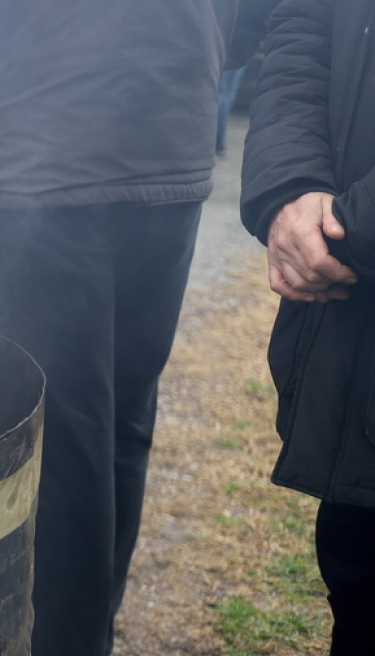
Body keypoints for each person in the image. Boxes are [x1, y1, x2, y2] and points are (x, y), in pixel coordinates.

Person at [0, 1, 277, 654]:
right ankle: (90, 626)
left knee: (65, 435)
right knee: (123, 416)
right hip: (165, 131)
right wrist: (194, 49)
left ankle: (69, 639)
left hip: (31, 143)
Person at [240, 1, 375, 652]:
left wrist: (347, 227)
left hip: (352, 243)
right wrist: (290, 186)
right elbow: (303, 27)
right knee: (358, 577)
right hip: (355, 331)